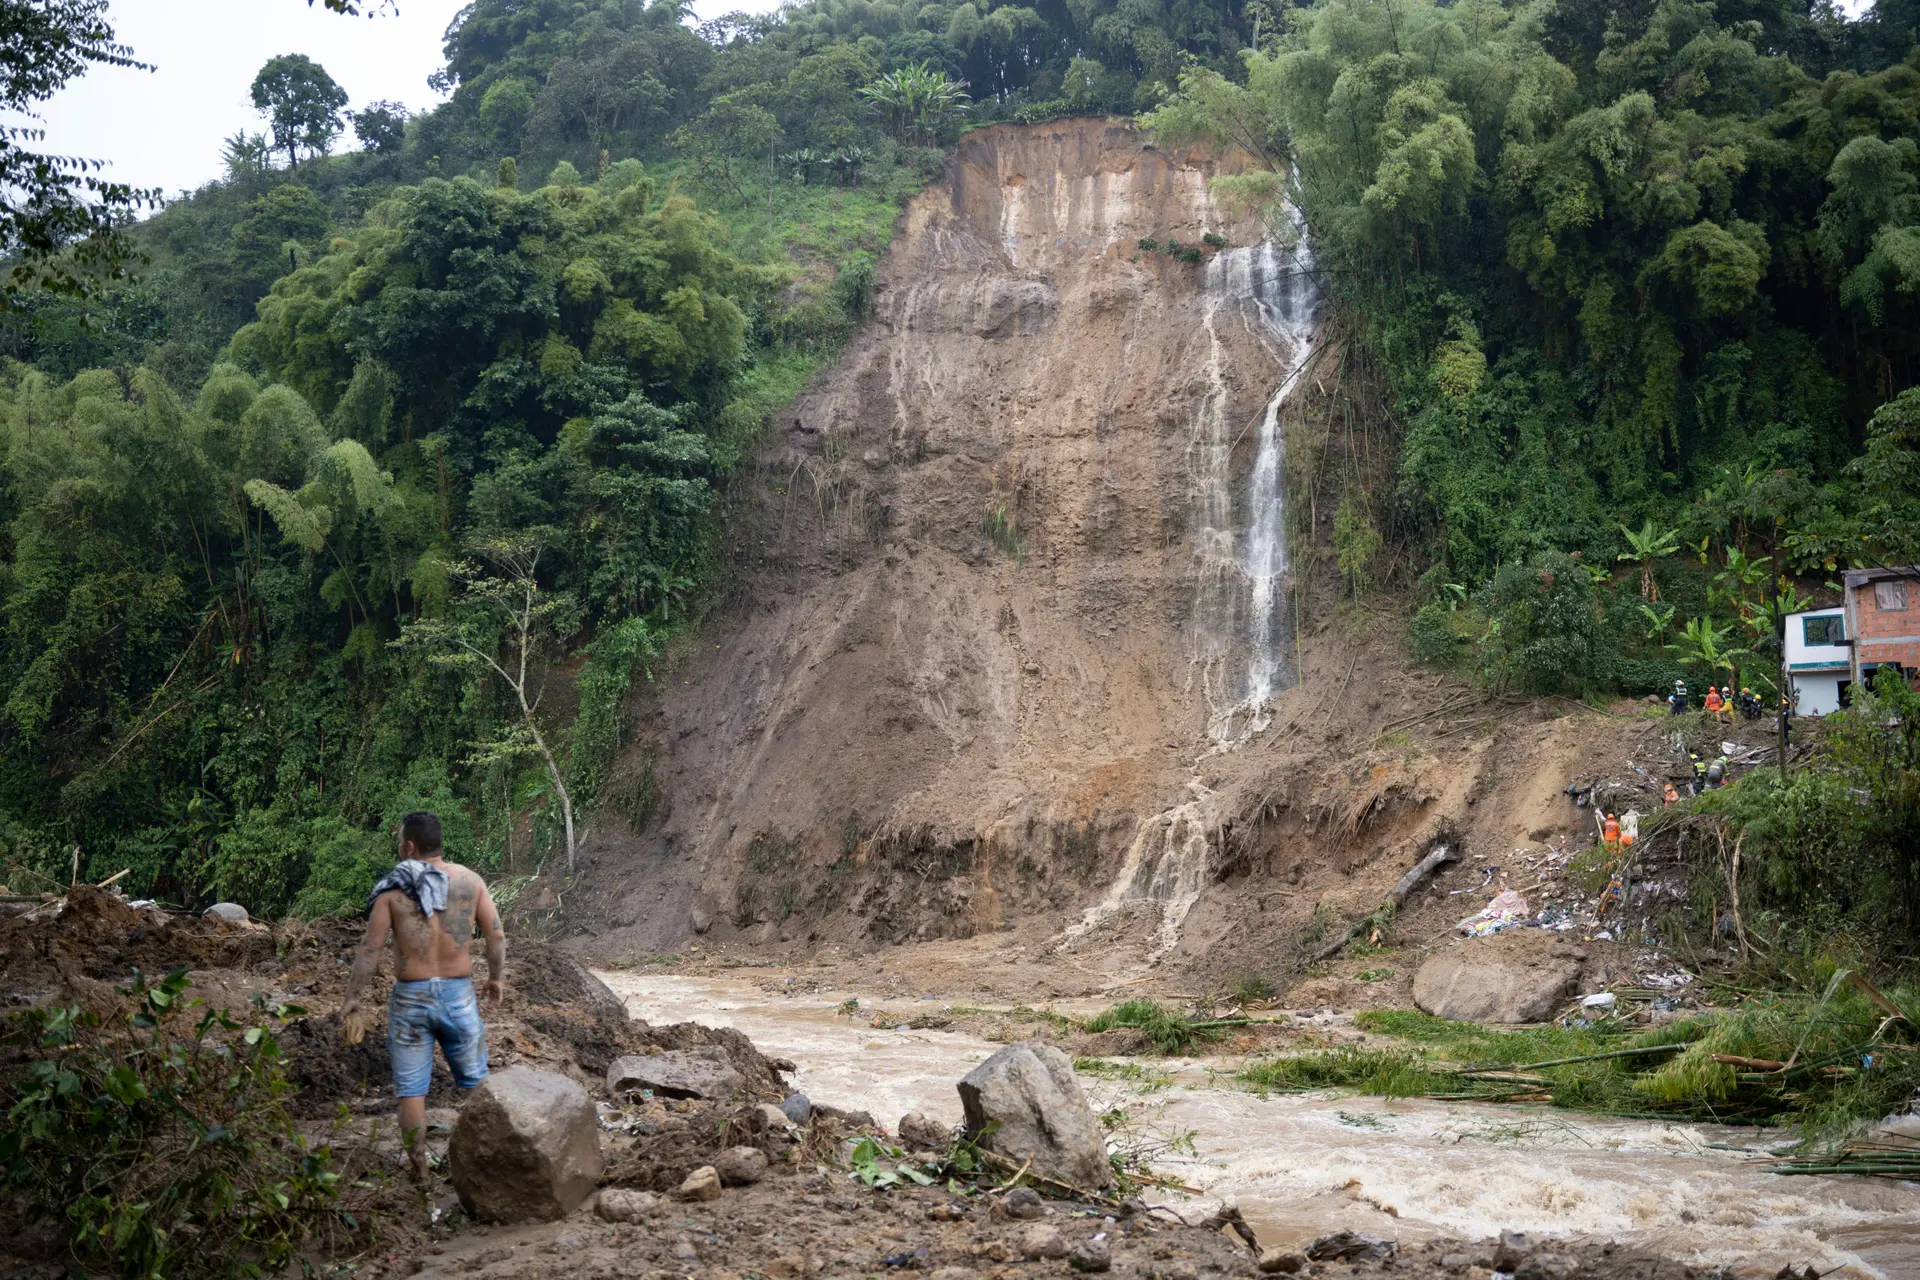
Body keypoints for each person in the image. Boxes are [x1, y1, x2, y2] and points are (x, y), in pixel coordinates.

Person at [340, 811, 506, 1180]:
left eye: (400, 841)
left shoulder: (393, 891)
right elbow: (495, 935)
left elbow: (370, 948)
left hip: (411, 998)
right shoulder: (470, 881)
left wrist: (353, 997)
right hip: (459, 995)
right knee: (477, 1084)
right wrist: (496, 978)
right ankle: (484, 1163)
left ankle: (419, 1171)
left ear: (410, 846)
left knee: (412, 1092)